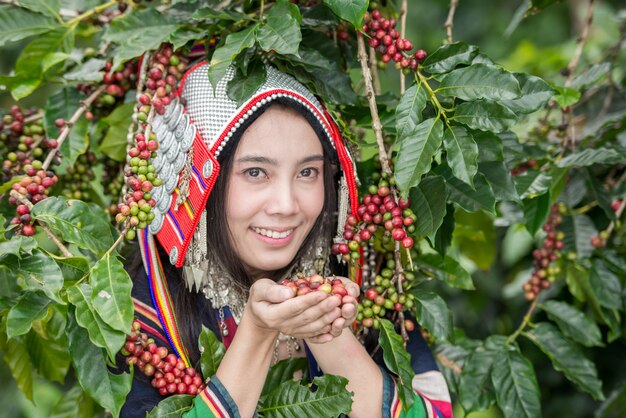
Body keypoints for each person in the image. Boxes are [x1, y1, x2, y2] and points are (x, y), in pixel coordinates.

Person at [120, 59, 452, 418]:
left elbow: (438, 410)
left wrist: (330, 333)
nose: (286, 205)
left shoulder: (365, 275)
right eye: (256, 172)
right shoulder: (148, 309)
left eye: (308, 172)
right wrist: (258, 332)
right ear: (201, 184)